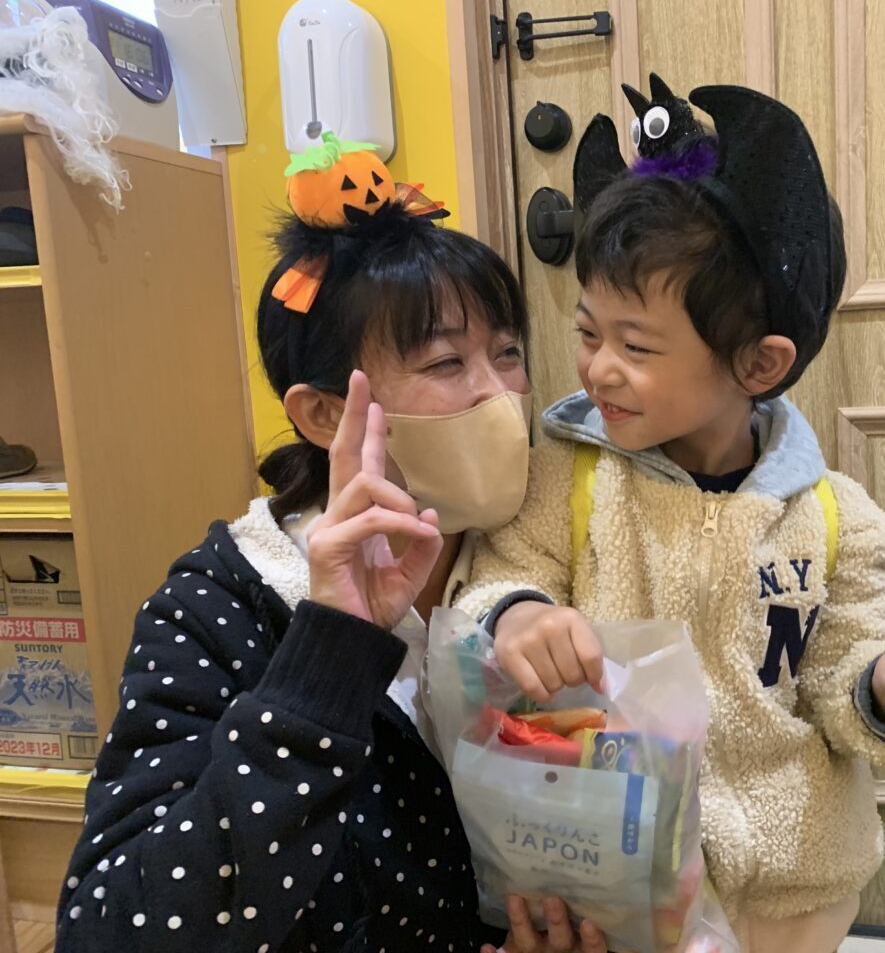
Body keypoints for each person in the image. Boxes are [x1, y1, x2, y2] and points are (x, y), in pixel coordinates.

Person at [453, 76, 885, 953]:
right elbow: (498, 573)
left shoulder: (839, 522)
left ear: (758, 364)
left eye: (636, 345)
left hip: (794, 892)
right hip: (615, 879)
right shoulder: (568, 478)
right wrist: (518, 614)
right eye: (589, 333)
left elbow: (842, 680)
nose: (598, 369)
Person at [56, 136, 606, 953]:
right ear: (322, 415)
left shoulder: (551, 550)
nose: (501, 396)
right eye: (446, 362)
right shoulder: (217, 607)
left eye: (508, 354)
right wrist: (331, 653)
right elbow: (111, 933)